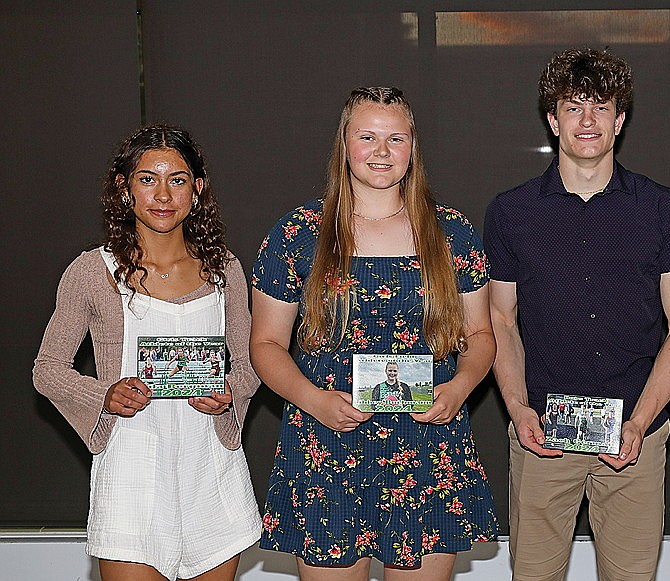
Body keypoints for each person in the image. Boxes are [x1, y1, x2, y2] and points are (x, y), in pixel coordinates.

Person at [250, 86, 497, 580]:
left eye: (396, 139)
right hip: (327, 442)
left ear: (412, 148)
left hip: (428, 444)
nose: (382, 152)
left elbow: (482, 335)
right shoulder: (299, 232)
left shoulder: (452, 232)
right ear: (344, 145)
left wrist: (460, 386)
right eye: (367, 137)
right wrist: (314, 400)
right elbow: (265, 345)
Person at [484, 48, 670, 580]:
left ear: (619, 120)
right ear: (553, 120)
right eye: (573, 107)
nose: (587, 120)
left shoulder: (663, 209)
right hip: (541, 435)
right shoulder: (511, 212)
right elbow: (500, 322)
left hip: (635, 435)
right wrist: (517, 410)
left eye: (601, 107)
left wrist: (640, 422)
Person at [33, 125, 261, 581]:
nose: (162, 194)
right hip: (131, 476)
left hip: (210, 474)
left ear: (197, 190)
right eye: (147, 178)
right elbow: (48, 370)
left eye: (177, 179)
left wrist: (229, 391)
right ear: (125, 188)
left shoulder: (226, 269)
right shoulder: (91, 271)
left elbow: (253, 364)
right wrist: (105, 394)